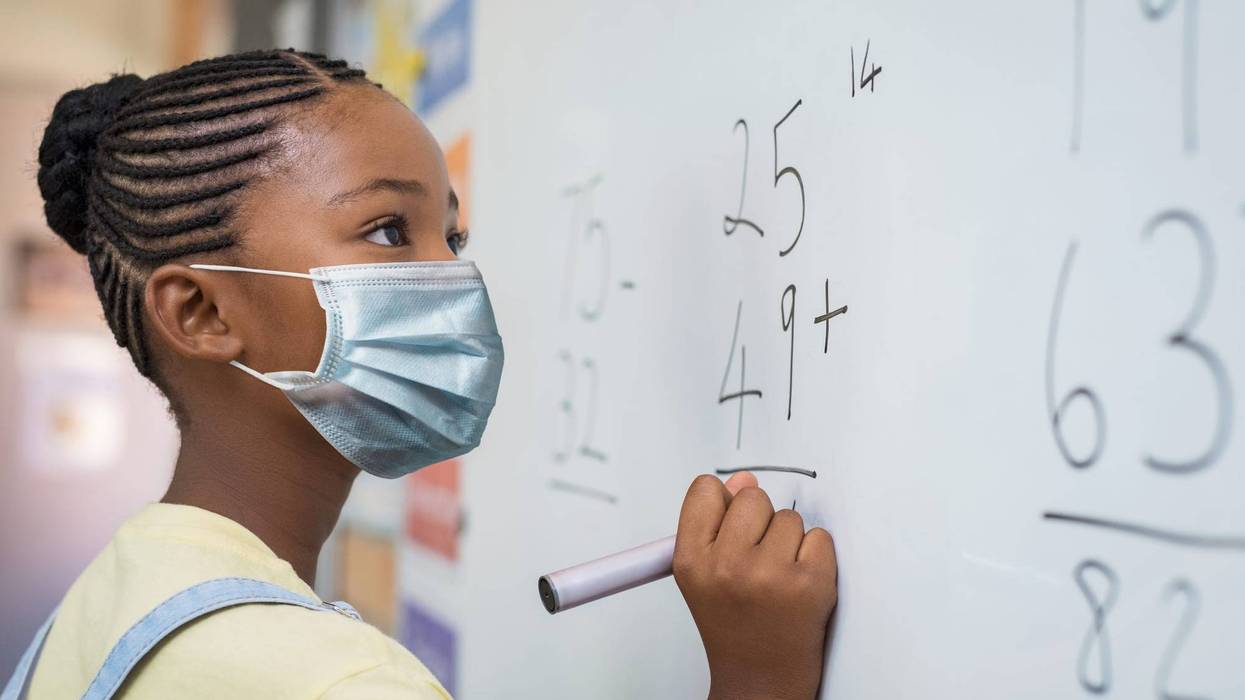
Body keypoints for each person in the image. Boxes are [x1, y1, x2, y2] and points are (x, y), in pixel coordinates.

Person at [5, 49, 838, 699]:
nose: (452, 281)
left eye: (453, 239)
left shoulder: (119, 591)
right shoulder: (327, 682)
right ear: (201, 314)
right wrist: (758, 682)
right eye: (386, 233)